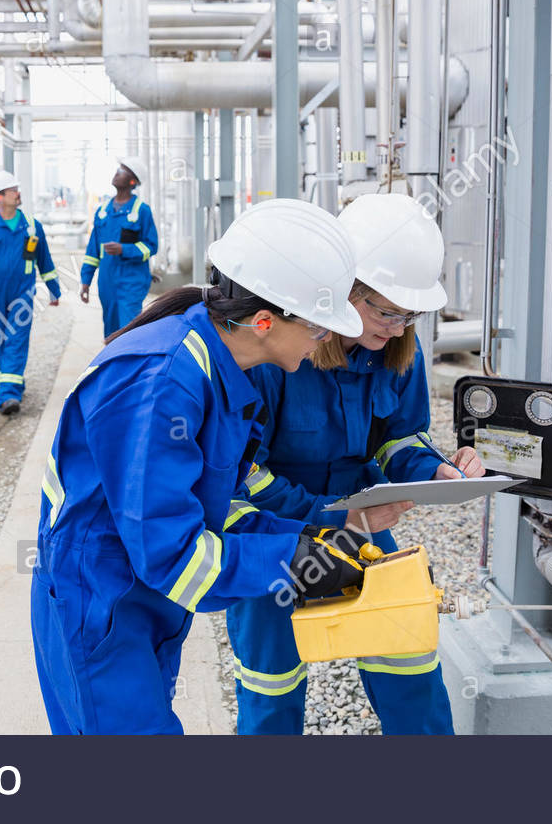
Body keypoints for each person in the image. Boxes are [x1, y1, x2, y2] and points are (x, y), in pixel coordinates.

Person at [32, 199, 390, 734]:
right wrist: (293, 561)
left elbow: (215, 511)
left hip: (138, 596)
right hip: (100, 599)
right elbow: (173, 554)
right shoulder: (162, 382)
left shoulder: (221, 372)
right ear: (265, 321)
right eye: (318, 328)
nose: (324, 343)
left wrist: (318, 537)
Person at [225, 192, 484, 736]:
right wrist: (324, 516)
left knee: (410, 664)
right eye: (385, 310)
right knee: (272, 686)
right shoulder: (275, 358)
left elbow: (398, 437)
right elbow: (245, 473)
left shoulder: (398, 350)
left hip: (358, 525)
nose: (397, 326)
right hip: (278, 533)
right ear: (341, 291)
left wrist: (431, 470)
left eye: (408, 313)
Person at [0, 170, 61, 415]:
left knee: (17, 338)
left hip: (23, 293)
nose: (18, 194)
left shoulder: (32, 227)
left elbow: (45, 261)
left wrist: (54, 290)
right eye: (12, 190)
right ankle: (15, 382)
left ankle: (8, 394)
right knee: (2, 340)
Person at [79, 156, 159, 338]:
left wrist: (124, 249)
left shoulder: (141, 210)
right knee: (111, 331)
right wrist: (85, 281)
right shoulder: (103, 211)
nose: (117, 173)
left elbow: (151, 246)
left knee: (129, 331)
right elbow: (92, 252)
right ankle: (114, 365)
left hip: (132, 282)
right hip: (107, 282)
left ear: (132, 181)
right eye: (118, 169)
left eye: (123, 171)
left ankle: (131, 365)